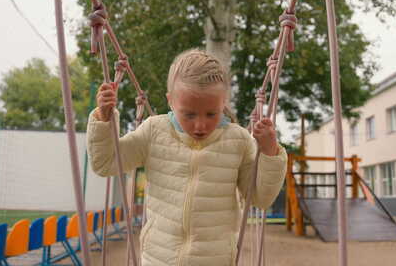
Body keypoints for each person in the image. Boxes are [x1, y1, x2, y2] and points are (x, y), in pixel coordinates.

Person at [87, 49, 287, 266]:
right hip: (159, 259)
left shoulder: (238, 140)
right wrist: (103, 120)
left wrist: (269, 152)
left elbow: (260, 198)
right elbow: (105, 163)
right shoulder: (154, 131)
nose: (200, 125)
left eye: (211, 114)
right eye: (189, 114)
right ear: (171, 101)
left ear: (223, 103)